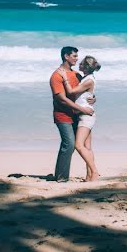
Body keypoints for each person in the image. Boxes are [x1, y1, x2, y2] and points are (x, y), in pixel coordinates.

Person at [49, 46, 95, 182]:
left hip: (78, 115)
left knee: (85, 146)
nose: (77, 59)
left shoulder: (77, 75)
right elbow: (62, 99)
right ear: (66, 56)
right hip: (63, 115)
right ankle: (62, 178)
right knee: (69, 143)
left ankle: (91, 175)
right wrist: (82, 110)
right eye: (74, 56)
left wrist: (93, 98)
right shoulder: (57, 75)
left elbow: (84, 92)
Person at [59, 56, 101, 181]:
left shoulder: (88, 80)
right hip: (84, 115)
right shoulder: (86, 78)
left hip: (86, 116)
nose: (79, 64)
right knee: (87, 147)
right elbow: (87, 94)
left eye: (81, 63)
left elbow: (71, 92)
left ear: (86, 66)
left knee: (78, 145)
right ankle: (89, 176)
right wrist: (94, 97)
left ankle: (94, 172)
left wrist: (64, 77)